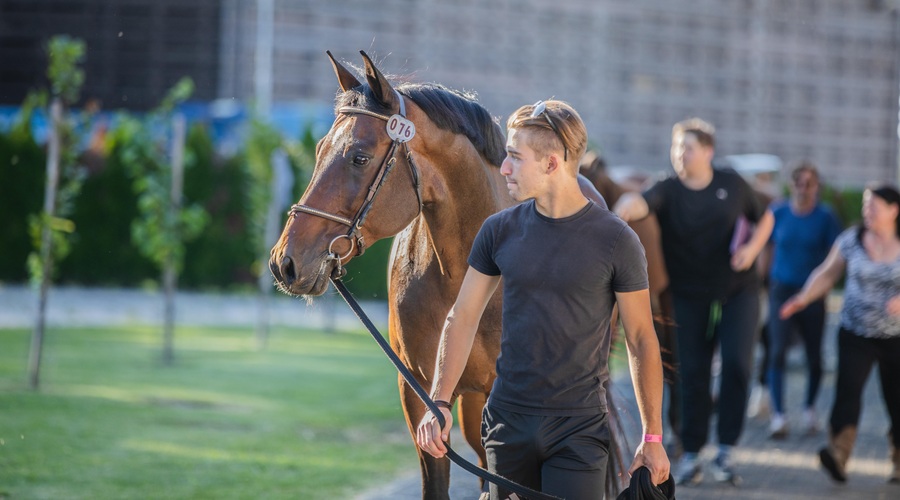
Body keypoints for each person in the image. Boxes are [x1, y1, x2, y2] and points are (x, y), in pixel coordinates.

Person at [415, 100, 670, 499]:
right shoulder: (498, 231)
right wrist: (440, 401)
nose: (504, 168)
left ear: (552, 164)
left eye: (515, 158)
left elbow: (641, 339)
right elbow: (462, 317)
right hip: (507, 423)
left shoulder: (617, 241)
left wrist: (652, 435)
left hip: (580, 429)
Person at [614, 118, 774, 486]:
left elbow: (765, 219)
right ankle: (691, 450)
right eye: (675, 147)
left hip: (738, 291)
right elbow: (640, 201)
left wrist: (751, 250)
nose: (679, 154)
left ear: (707, 151)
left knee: (736, 363)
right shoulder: (667, 189)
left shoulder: (731, 183)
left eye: (687, 147)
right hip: (688, 294)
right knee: (691, 373)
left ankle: (727, 449)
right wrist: (622, 207)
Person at [780, 184, 900, 484]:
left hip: (896, 337)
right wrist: (804, 297)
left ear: (894, 210)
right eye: (865, 205)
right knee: (847, 392)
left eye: (874, 206)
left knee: (897, 398)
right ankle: (838, 454)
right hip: (855, 332)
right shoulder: (852, 239)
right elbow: (828, 272)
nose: (867, 211)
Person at [765, 162, 843, 439]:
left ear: (816, 187)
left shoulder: (826, 217)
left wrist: (825, 288)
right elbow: (767, 247)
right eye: (799, 182)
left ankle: (809, 407)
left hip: (811, 292)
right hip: (781, 290)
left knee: (814, 354)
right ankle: (778, 415)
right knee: (776, 351)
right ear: (792, 184)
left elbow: (836, 258)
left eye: (809, 183)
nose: (803, 188)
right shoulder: (778, 212)